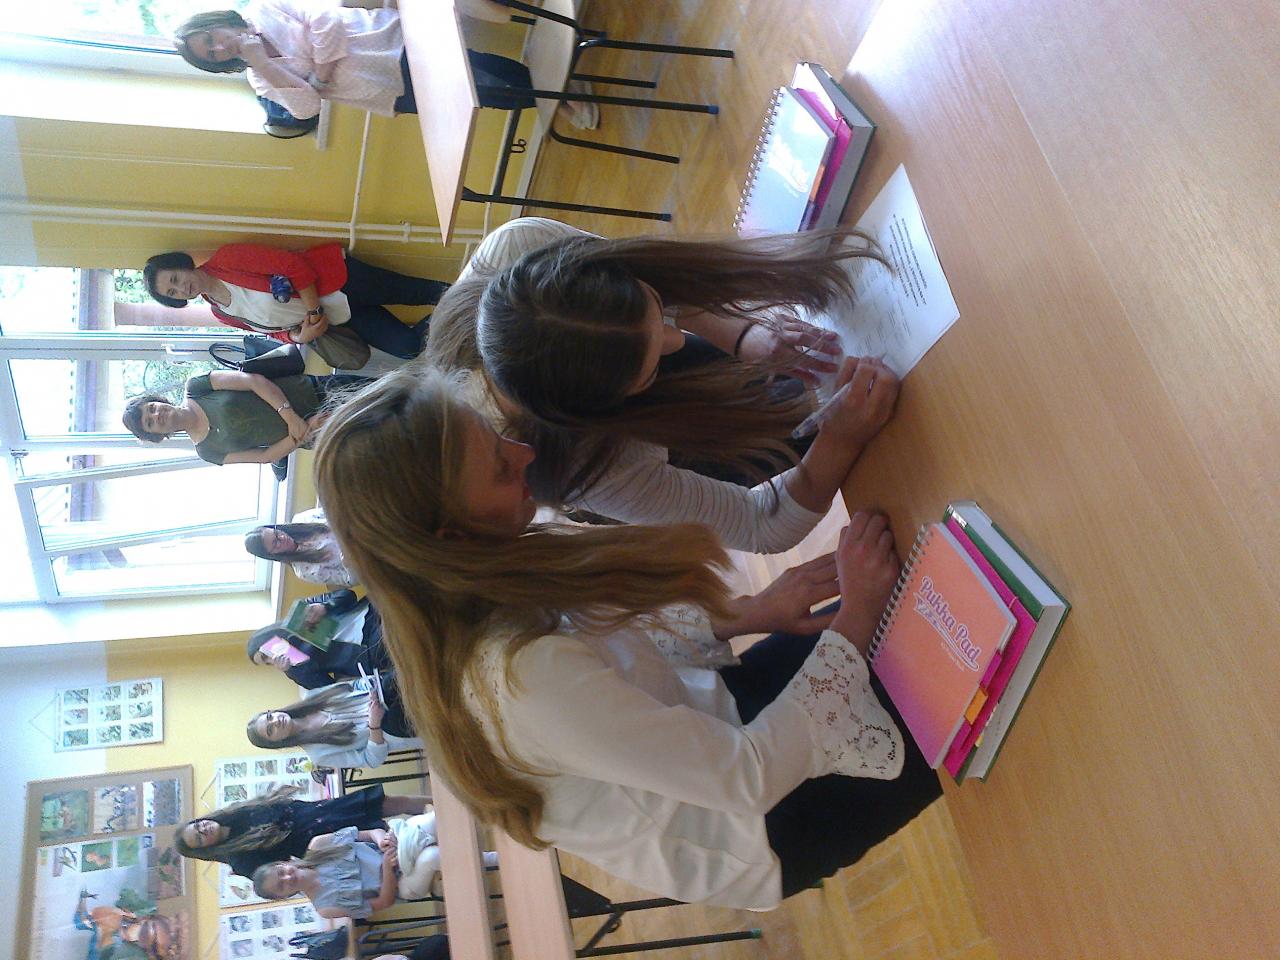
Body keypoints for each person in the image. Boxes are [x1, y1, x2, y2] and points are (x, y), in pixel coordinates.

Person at [310, 367, 942, 909]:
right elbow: (746, 777)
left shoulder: (486, 568)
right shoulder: (517, 677)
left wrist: (752, 613)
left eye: (499, 437)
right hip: (756, 828)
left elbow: (616, 644)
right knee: (957, 684)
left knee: (924, 613)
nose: (525, 454)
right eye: (501, 466)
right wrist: (857, 614)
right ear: (452, 537)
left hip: (720, 726)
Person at [424, 218, 899, 554]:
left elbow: (660, 292)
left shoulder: (521, 248)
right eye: (650, 370)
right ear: (609, 405)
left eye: (651, 302)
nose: (677, 339)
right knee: (803, 441)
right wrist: (840, 438)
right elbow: (760, 523)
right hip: (609, 441)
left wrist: (742, 333)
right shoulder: (590, 467)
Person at [172, 2, 598, 128]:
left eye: (210, 39)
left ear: (214, 23)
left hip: (391, 41)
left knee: (478, 66)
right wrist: (263, 63)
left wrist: (319, 75)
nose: (219, 48)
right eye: (211, 55)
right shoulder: (259, 79)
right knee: (482, 97)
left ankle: (559, 94)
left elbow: (326, 20)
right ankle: (552, 97)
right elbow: (306, 108)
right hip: (384, 91)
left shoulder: (265, 8)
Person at [144, 242, 446, 360]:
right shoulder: (221, 313)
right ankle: (465, 310)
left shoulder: (226, 259)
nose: (181, 288)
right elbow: (272, 332)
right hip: (341, 318)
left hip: (340, 280)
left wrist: (313, 309)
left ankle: (471, 292)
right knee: (407, 347)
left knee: (423, 293)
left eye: (175, 279)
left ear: (182, 265)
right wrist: (300, 336)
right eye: (173, 293)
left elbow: (292, 265)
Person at [251, 817, 498, 918]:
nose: (287, 878)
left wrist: (382, 841)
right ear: (283, 896)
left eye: (281, 872)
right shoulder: (325, 908)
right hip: (402, 884)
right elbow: (383, 902)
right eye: (281, 886)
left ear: (282, 863)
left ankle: (491, 812)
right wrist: (387, 870)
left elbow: (370, 832)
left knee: (430, 820)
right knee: (431, 857)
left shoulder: (319, 845)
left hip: (396, 846)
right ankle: (494, 858)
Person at [122, 370, 368, 466]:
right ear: (156, 435)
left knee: (387, 392)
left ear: (157, 400)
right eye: (150, 422)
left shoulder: (196, 387)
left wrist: (292, 418)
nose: (157, 414)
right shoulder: (207, 451)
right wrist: (303, 433)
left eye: (151, 408)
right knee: (381, 433)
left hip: (315, 391)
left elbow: (253, 382)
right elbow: (263, 456)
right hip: (315, 433)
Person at [175, 785, 428, 878]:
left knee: (392, 803)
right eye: (199, 838)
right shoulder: (240, 861)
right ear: (205, 849)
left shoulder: (235, 811)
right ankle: (436, 833)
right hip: (327, 836)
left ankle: (440, 803)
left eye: (198, 825)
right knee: (391, 836)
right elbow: (285, 870)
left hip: (324, 809)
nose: (203, 830)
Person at [247, 678, 421, 769]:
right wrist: (374, 726)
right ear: (276, 742)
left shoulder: (311, 696)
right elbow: (371, 760)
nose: (276, 721)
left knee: (390, 681)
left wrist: (370, 688)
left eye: (270, 716)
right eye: (270, 730)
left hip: (385, 694)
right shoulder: (319, 755)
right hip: (391, 727)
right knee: (392, 719)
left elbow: (354, 685)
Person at [247, 588, 392, 688]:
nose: (271, 660)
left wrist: (325, 606)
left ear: (268, 638)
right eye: (268, 663)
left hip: (370, 612)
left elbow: (348, 596)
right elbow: (328, 687)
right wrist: (293, 670)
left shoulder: (300, 613)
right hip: (369, 649)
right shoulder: (298, 668)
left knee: (386, 593)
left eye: (265, 655)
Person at [244, 508, 356, 586]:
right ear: (272, 554)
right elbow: (350, 580)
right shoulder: (305, 571)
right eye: (276, 543)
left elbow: (335, 511)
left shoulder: (302, 518)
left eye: (277, 532)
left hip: (359, 524)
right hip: (362, 556)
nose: (282, 537)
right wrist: (348, 564)